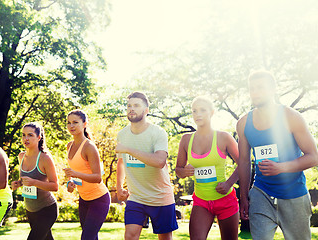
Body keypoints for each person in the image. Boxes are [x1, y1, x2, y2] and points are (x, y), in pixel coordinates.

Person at [236, 70, 318, 240]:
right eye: (252, 89)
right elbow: (243, 162)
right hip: (261, 193)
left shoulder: (291, 117)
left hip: (294, 194)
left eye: (260, 88)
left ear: (273, 89)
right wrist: (244, 197)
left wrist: (281, 168)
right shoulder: (243, 123)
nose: (255, 92)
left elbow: (313, 156)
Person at [116, 91, 178, 240]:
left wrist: (129, 149)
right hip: (136, 197)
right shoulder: (122, 134)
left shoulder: (158, 133)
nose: (131, 108)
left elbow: (159, 161)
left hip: (160, 197)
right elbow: (121, 162)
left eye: (136, 105)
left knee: (164, 238)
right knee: (130, 236)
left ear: (146, 110)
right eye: (129, 106)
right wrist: (119, 188)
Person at [176, 97, 240, 240]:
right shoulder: (186, 139)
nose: (198, 114)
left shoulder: (224, 137)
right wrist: (184, 171)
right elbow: (178, 170)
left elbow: (243, 163)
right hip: (201, 201)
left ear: (211, 112)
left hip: (225, 200)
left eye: (202, 110)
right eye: (194, 111)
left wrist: (229, 183)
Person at [64, 109, 110, 240]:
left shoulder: (89, 147)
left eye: (75, 122)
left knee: (87, 238)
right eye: (68, 123)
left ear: (84, 124)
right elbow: (76, 173)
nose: (71, 126)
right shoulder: (69, 146)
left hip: (99, 199)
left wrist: (75, 173)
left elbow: (97, 177)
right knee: (91, 237)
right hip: (84, 199)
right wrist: (70, 183)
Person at [11, 122, 58, 240]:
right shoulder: (21, 156)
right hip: (30, 210)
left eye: (30, 135)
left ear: (39, 137)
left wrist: (34, 183)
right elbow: (25, 180)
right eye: (23, 135)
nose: (26, 138)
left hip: (47, 209)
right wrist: (18, 183)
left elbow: (55, 186)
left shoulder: (45, 158)